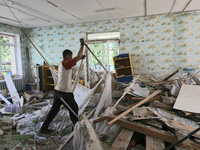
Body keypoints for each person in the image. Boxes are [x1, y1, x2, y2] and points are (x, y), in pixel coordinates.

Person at [40, 38, 85, 133]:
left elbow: (77, 58)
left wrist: (80, 58)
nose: (72, 58)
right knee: (74, 108)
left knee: (53, 111)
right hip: (64, 93)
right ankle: (77, 127)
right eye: (71, 57)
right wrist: (82, 45)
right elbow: (78, 56)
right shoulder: (66, 63)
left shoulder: (62, 64)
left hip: (58, 92)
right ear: (68, 56)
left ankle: (44, 128)